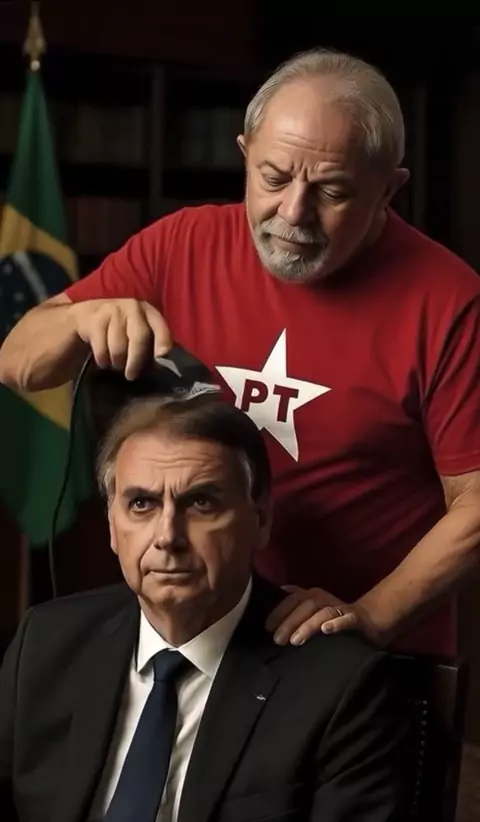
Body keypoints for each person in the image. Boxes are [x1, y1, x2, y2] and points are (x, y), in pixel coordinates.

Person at [1, 49, 480, 656]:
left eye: (332, 190)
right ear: (245, 153)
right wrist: (81, 319)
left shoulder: (450, 299)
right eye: (273, 178)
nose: (294, 212)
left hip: (366, 649)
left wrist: (370, 615)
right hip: (208, 637)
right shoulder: (182, 243)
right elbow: (18, 362)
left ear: (389, 190)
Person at [0, 393, 406, 822]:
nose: (167, 537)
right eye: (141, 504)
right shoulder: (46, 642)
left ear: (261, 520)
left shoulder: (342, 686)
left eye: (200, 503)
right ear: (112, 527)